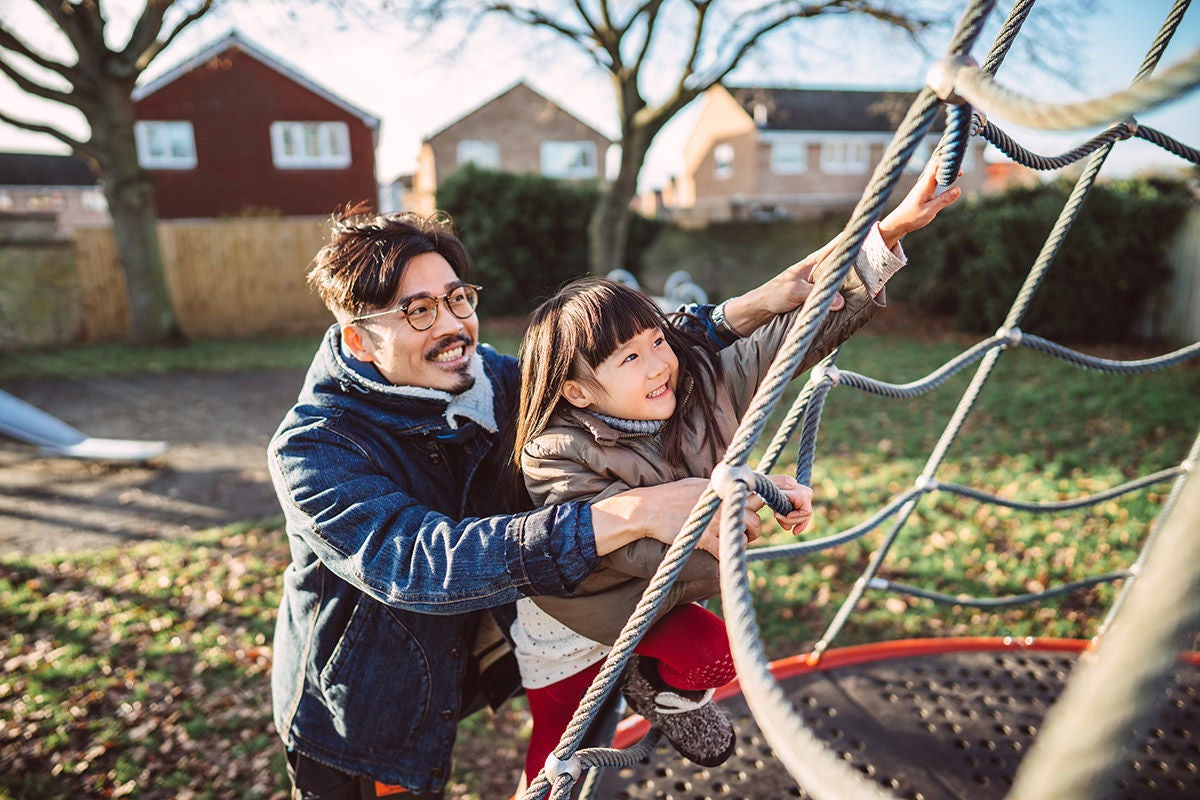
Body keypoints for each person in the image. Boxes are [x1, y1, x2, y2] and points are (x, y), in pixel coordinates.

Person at [266, 196, 889, 798]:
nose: (454, 323)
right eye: (420, 311)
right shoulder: (315, 446)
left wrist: (751, 308)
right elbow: (419, 562)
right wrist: (633, 511)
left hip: (509, 636)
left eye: (457, 298)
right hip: (369, 697)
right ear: (358, 340)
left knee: (564, 763)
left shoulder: (501, 382)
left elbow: (618, 356)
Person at [511, 161, 960, 784]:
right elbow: (627, 555)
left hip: (657, 604)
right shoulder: (556, 453)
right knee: (562, 750)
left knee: (721, 656)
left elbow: (797, 334)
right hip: (573, 618)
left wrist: (889, 235)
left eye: (658, 341)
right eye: (629, 357)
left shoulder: (703, 383)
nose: (658, 364)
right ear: (579, 392)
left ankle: (656, 685)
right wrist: (738, 506)